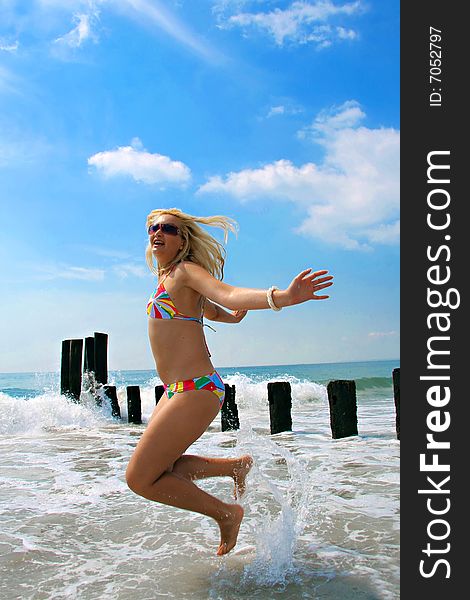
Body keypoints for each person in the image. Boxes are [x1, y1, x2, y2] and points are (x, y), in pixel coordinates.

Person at [125, 208, 334, 556]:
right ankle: (236, 466)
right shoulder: (169, 278)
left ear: (182, 240)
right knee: (167, 468)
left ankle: (226, 514)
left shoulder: (187, 271)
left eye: (168, 228)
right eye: (152, 228)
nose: (157, 233)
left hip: (196, 389)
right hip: (177, 390)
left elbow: (227, 293)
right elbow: (212, 309)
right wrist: (231, 318)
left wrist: (282, 297)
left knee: (140, 479)